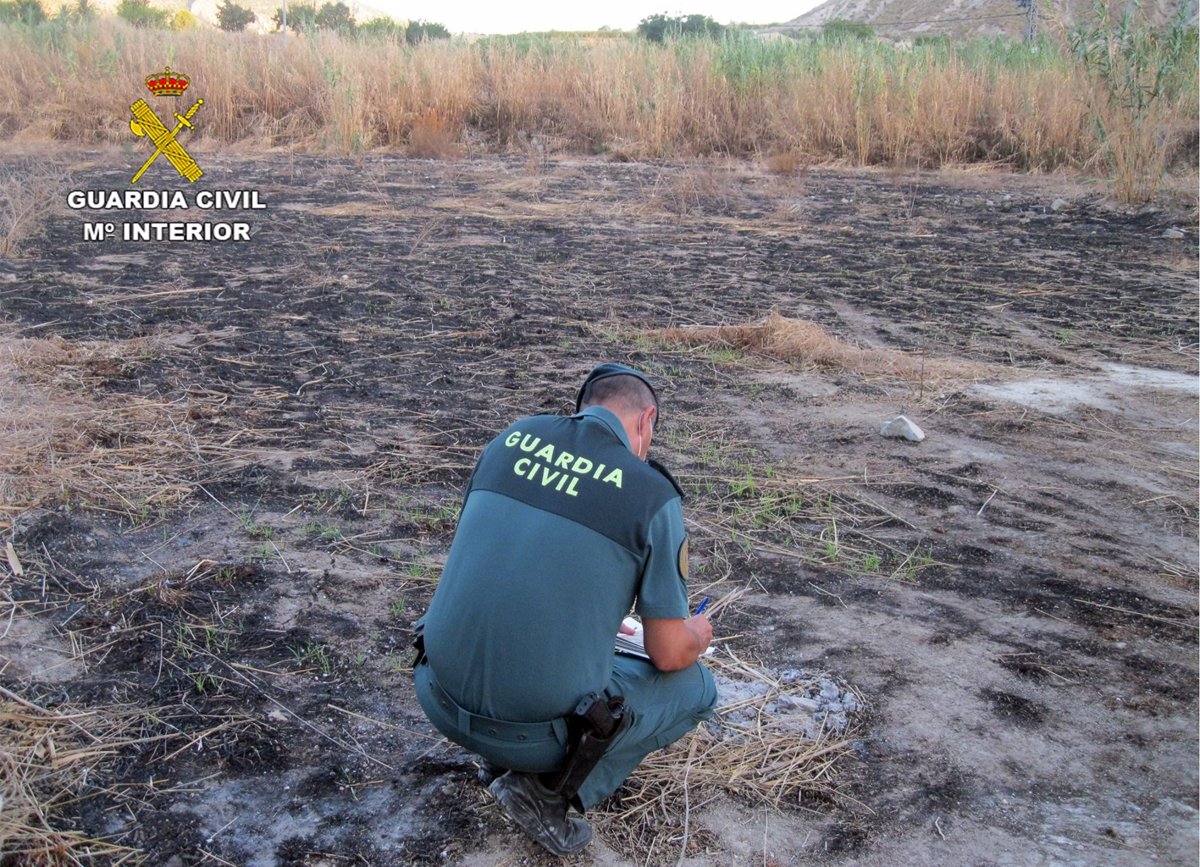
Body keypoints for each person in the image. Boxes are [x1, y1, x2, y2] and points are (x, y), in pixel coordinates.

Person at [413, 362, 717, 856]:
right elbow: (667, 653)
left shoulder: (513, 438)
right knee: (696, 686)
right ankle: (540, 791)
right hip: (525, 731)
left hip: (436, 692)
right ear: (646, 421)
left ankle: (500, 758)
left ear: (583, 409)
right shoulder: (651, 494)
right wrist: (698, 634)